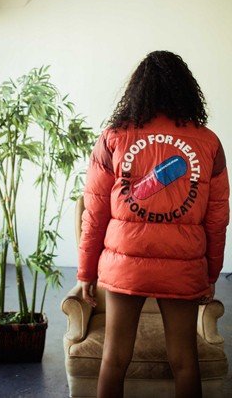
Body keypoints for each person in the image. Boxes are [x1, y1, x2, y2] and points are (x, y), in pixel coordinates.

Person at [77, 50, 230, 398]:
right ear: (187, 90)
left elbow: (95, 212)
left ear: (137, 90)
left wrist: (86, 271)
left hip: (124, 264)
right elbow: (218, 217)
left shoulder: (113, 138)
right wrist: (211, 273)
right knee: (185, 362)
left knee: (114, 359)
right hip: (183, 264)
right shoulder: (209, 143)